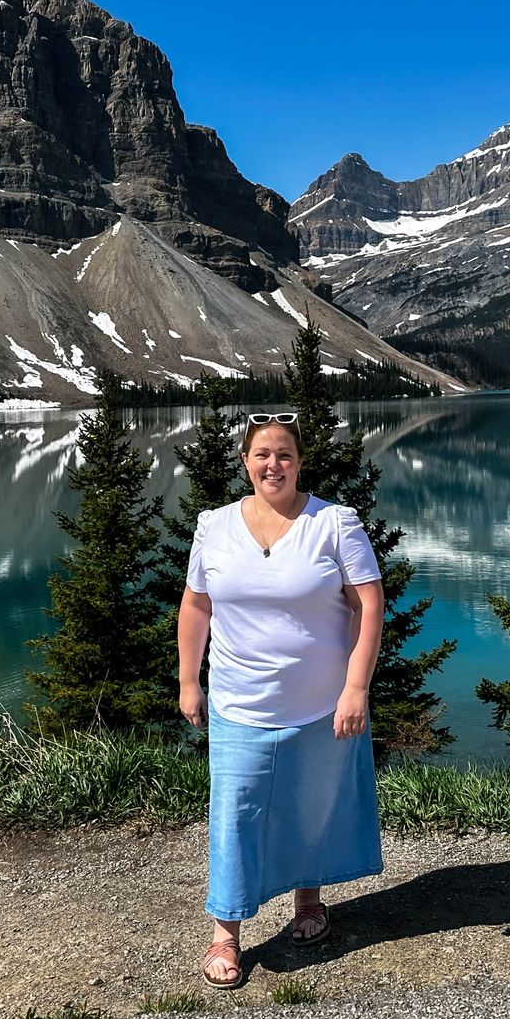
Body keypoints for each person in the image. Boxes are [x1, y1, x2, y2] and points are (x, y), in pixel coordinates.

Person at [177, 411, 385, 989]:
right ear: (245, 462)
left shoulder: (334, 523)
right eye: (262, 454)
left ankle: (309, 904)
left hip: (322, 707)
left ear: (300, 463)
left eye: (285, 454)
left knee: (310, 809)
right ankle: (226, 934)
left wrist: (355, 687)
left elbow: (370, 605)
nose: (274, 464)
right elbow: (197, 607)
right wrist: (188, 680)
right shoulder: (214, 526)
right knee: (235, 814)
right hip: (238, 703)